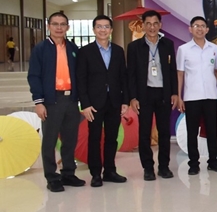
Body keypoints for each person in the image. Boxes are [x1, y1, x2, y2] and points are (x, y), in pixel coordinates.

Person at [27, 12, 85, 192]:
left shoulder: (73, 48)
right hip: (51, 100)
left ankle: (68, 173)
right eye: (55, 24)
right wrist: (39, 102)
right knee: (50, 140)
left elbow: (80, 75)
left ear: (68, 27)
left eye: (62, 24)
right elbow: (34, 76)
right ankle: (52, 177)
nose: (59, 28)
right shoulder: (41, 49)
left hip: (71, 100)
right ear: (48, 26)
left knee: (70, 139)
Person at [76, 15, 129, 187]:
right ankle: (95, 174)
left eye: (106, 27)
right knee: (94, 138)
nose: (103, 30)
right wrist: (85, 104)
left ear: (111, 30)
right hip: (94, 103)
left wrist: (125, 101)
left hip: (114, 101)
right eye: (99, 27)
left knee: (112, 138)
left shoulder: (118, 51)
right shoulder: (85, 51)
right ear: (94, 30)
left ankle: (110, 171)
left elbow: (123, 77)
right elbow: (81, 79)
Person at [128, 10, 179, 180]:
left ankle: (164, 166)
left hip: (164, 93)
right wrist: (133, 97)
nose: (152, 27)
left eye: (155, 23)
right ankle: (148, 168)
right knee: (144, 133)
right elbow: (131, 74)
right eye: (148, 24)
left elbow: (172, 71)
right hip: (144, 94)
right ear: (143, 25)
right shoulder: (134, 47)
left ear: (160, 25)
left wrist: (174, 92)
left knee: (164, 132)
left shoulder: (167, 44)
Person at [176, 16, 217, 175]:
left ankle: (213, 161)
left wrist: (212, 82)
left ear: (207, 29)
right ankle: (193, 164)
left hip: (211, 96)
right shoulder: (183, 49)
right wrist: (179, 96)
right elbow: (180, 74)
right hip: (191, 97)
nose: (199, 28)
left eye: (203, 26)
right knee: (192, 132)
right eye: (196, 26)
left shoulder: (214, 48)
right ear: (190, 29)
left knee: (212, 130)